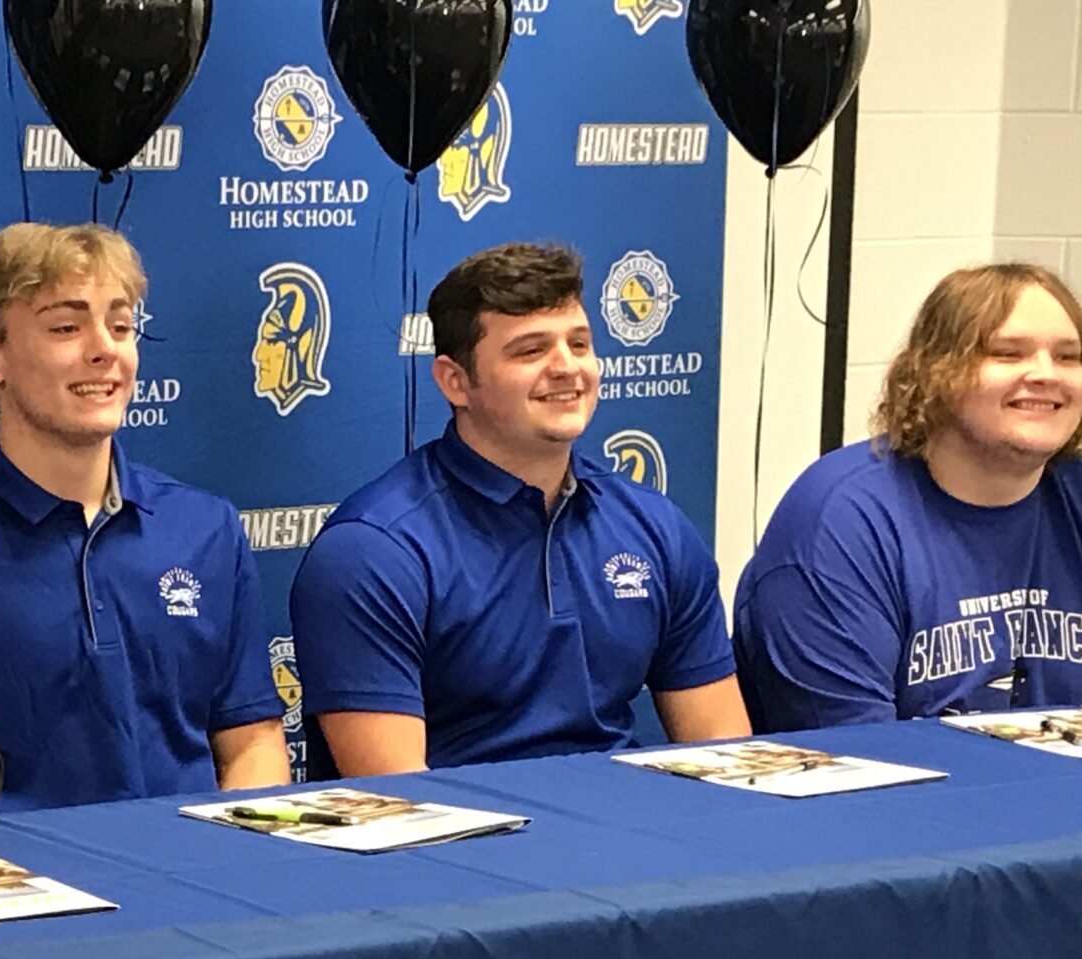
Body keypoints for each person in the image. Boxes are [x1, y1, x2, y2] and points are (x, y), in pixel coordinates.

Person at [0, 222, 290, 809]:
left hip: (197, 879)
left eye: (121, 325)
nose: (105, 348)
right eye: (66, 327)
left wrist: (233, 864)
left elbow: (252, 741)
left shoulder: (206, 529)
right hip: (16, 889)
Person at [290, 242, 746, 775]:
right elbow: (397, 800)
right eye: (531, 351)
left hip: (628, 838)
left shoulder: (653, 526)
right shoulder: (373, 550)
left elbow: (727, 760)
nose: (567, 368)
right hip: (456, 842)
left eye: (579, 344)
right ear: (455, 382)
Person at [733, 263, 1082, 729]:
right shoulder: (841, 520)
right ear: (937, 372)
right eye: (1007, 353)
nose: (1044, 374)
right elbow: (854, 756)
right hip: (895, 796)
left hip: (1077, 796)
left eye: (1067, 356)